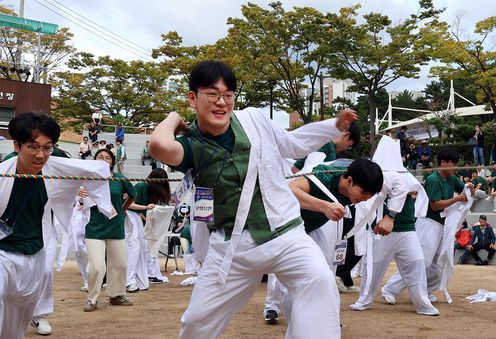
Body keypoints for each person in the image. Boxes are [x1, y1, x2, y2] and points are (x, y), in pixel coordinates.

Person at [148, 60, 358, 339]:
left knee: (318, 280)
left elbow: (292, 143)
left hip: (284, 233)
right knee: (197, 323)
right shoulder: (192, 146)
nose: (221, 102)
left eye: (228, 95)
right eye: (212, 94)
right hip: (232, 248)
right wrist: (174, 117)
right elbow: (159, 146)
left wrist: (333, 126)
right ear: (193, 98)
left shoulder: (253, 120)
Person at [0, 112, 111, 339]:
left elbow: (99, 170)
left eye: (48, 148)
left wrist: (106, 206)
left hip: (33, 257)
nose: (41, 155)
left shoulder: (56, 171)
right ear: (17, 145)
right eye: (33, 147)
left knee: (14, 325)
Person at [263, 159, 383, 323]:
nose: (364, 199)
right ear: (349, 181)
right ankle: (286, 315)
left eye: (369, 196)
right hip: (286, 228)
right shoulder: (323, 178)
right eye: (363, 193)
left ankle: (324, 318)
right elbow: (289, 189)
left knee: (324, 273)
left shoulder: (353, 188)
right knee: (289, 280)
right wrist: (324, 206)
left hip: (311, 228)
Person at [381, 148, 468, 304]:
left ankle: (426, 291)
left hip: (443, 225)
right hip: (428, 224)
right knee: (420, 261)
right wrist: (458, 199)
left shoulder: (452, 178)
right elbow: (435, 205)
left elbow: (464, 190)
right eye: (452, 164)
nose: (454, 167)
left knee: (439, 263)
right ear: (443, 163)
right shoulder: (433, 179)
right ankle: (390, 289)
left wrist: (469, 189)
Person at [350, 192, 440, 316]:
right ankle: (364, 300)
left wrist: (404, 189)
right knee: (373, 267)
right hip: (380, 227)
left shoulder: (404, 174)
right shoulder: (378, 174)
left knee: (417, 264)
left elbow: (412, 188)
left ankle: (423, 304)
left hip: (407, 227)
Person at [83, 148, 136, 311]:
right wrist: (81, 195)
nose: (104, 159)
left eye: (107, 157)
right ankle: (92, 299)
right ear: (94, 160)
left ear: (112, 162)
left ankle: (116, 295)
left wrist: (123, 209)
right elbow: (77, 197)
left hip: (116, 226)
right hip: (94, 228)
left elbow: (132, 194)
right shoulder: (88, 179)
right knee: (97, 266)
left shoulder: (120, 179)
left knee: (120, 264)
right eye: (100, 156)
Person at [128, 168, 172, 286]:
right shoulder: (141, 186)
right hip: (130, 218)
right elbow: (129, 204)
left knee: (145, 248)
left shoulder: (149, 189)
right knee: (136, 248)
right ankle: (132, 278)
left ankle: (147, 274)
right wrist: (145, 208)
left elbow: (142, 210)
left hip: (138, 219)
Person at [291, 122, 360, 173]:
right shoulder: (326, 145)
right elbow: (295, 168)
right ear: (346, 135)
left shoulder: (330, 148)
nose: (345, 149)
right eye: (349, 146)